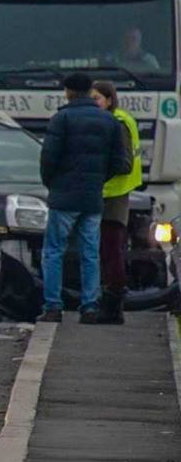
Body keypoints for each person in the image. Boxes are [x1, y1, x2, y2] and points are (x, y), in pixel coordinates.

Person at [38, 72, 126, 323]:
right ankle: (89, 307)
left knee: (54, 251)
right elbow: (118, 162)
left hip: (63, 197)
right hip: (92, 197)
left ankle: (53, 307)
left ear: (68, 91)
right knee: (90, 253)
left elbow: (48, 159)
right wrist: (97, 180)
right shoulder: (109, 122)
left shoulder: (61, 118)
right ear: (89, 91)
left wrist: (52, 183)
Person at [91, 80, 140, 324]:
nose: (94, 104)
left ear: (110, 100)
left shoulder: (117, 123)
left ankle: (113, 305)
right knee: (109, 249)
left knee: (112, 250)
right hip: (110, 193)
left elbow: (123, 163)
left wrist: (98, 176)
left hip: (113, 195)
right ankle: (111, 301)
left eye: (97, 99)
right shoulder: (115, 120)